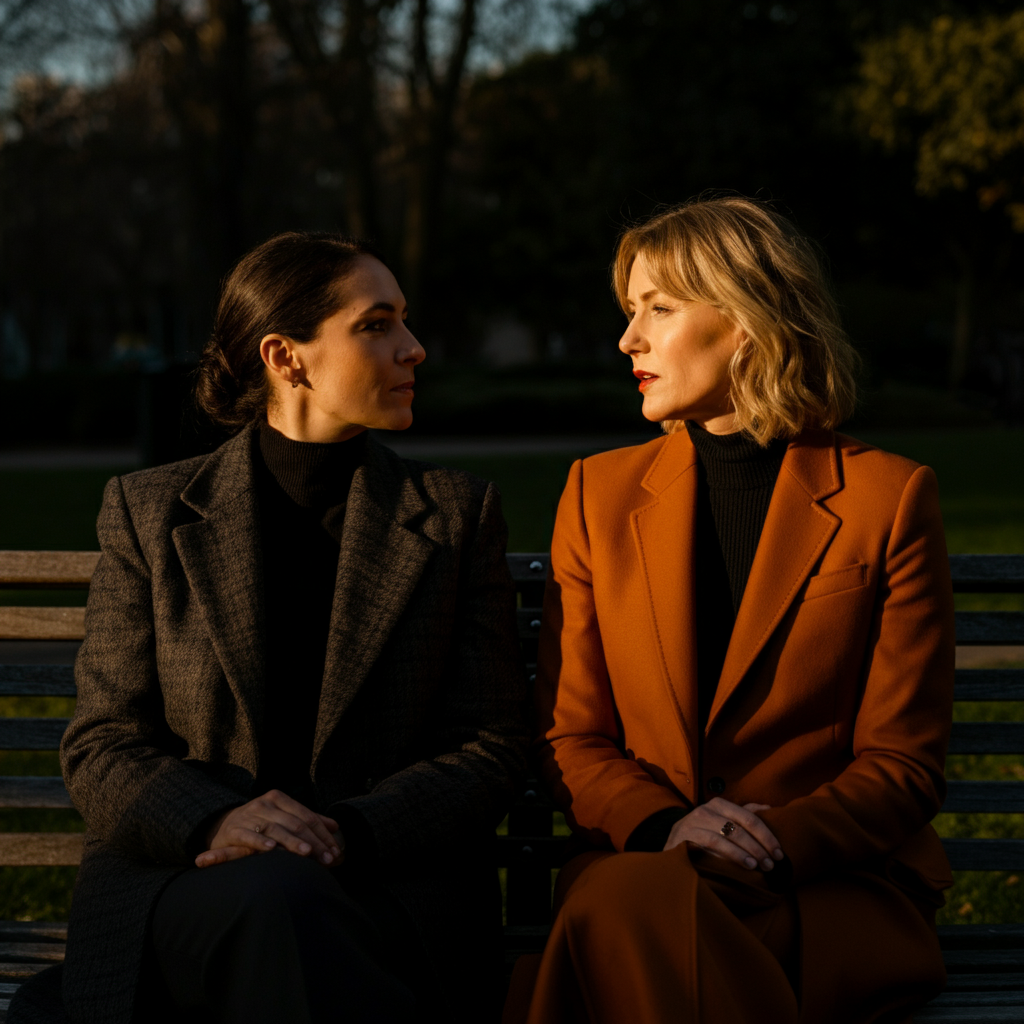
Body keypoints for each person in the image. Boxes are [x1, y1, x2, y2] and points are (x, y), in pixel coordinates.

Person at [11, 232, 529, 1024]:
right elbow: (102, 744)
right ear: (286, 357)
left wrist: (346, 831)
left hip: (388, 890)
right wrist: (217, 818)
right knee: (278, 905)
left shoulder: (454, 516)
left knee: (289, 909)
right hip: (183, 884)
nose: (414, 348)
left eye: (404, 323)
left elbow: (489, 747)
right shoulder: (152, 513)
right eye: (377, 324)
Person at [509, 197, 955, 1024]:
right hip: (644, 858)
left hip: (820, 885)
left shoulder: (886, 499)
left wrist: (771, 842)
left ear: (747, 321)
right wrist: (668, 827)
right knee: (639, 904)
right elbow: (570, 736)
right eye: (629, 312)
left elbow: (904, 760)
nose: (627, 340)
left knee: (622, 928)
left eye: (659, 309)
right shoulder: (596, 497)